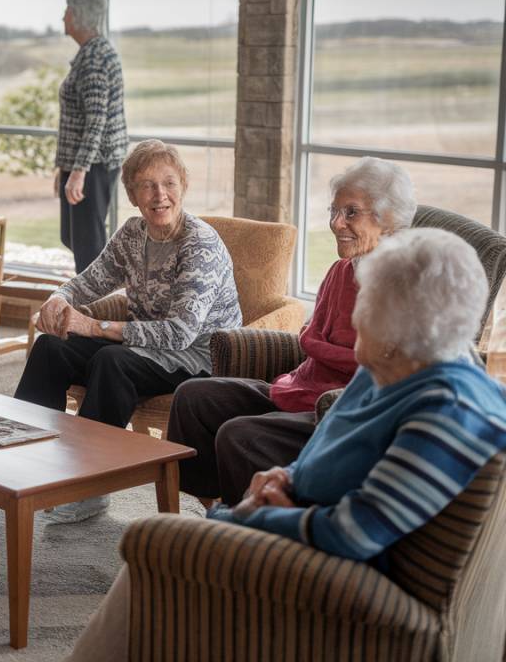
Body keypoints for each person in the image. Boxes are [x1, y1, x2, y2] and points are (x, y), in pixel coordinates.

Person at [66, 228, 506, 660]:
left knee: (154, 544)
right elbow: (322, 450)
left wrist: (263, 515)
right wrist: (283, 477)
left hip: (341, 578)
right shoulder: (388, 369)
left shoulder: (446, 412)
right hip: (303, 525)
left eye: (366, 301)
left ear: (398, 321)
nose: (353, 317)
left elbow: (354, 533)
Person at [167, 157, 416, 506]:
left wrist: (315, 349)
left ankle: (253, 532)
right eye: (334, 211)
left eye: (351, 213)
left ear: (388, 220)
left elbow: (389, 371)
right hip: (299, 388)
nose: (336, 223)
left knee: (239, 435)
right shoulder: (341, 270)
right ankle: (210, 507)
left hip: (339, 408)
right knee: (193, 397)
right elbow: (312, 341)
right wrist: (311, 351)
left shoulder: (403, 285)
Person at [15, 140, 242, 521]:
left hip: (201, 354)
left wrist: (95, 326)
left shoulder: (199, 243)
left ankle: (89, 485)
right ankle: (24, 456)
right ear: (133, 196)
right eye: (146, 185)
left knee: (112, 361)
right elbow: (88, 282)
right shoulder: (133, 234)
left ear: (183, 186)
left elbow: (180, 332)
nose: (159, 195)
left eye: (168, 183)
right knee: (50, 349)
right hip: (149, 349)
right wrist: (58, 298)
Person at [55, 0, 128, 273]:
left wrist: (78, 171)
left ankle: (90, 311)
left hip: (94, 165)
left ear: (77, 16)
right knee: (75, 238)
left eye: (66, 11)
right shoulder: (91, 53)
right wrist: (65, 168)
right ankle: (89, 300)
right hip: (84, 163)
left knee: (88, 246)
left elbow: (96, 120)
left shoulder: (95, 58)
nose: (63, 17)